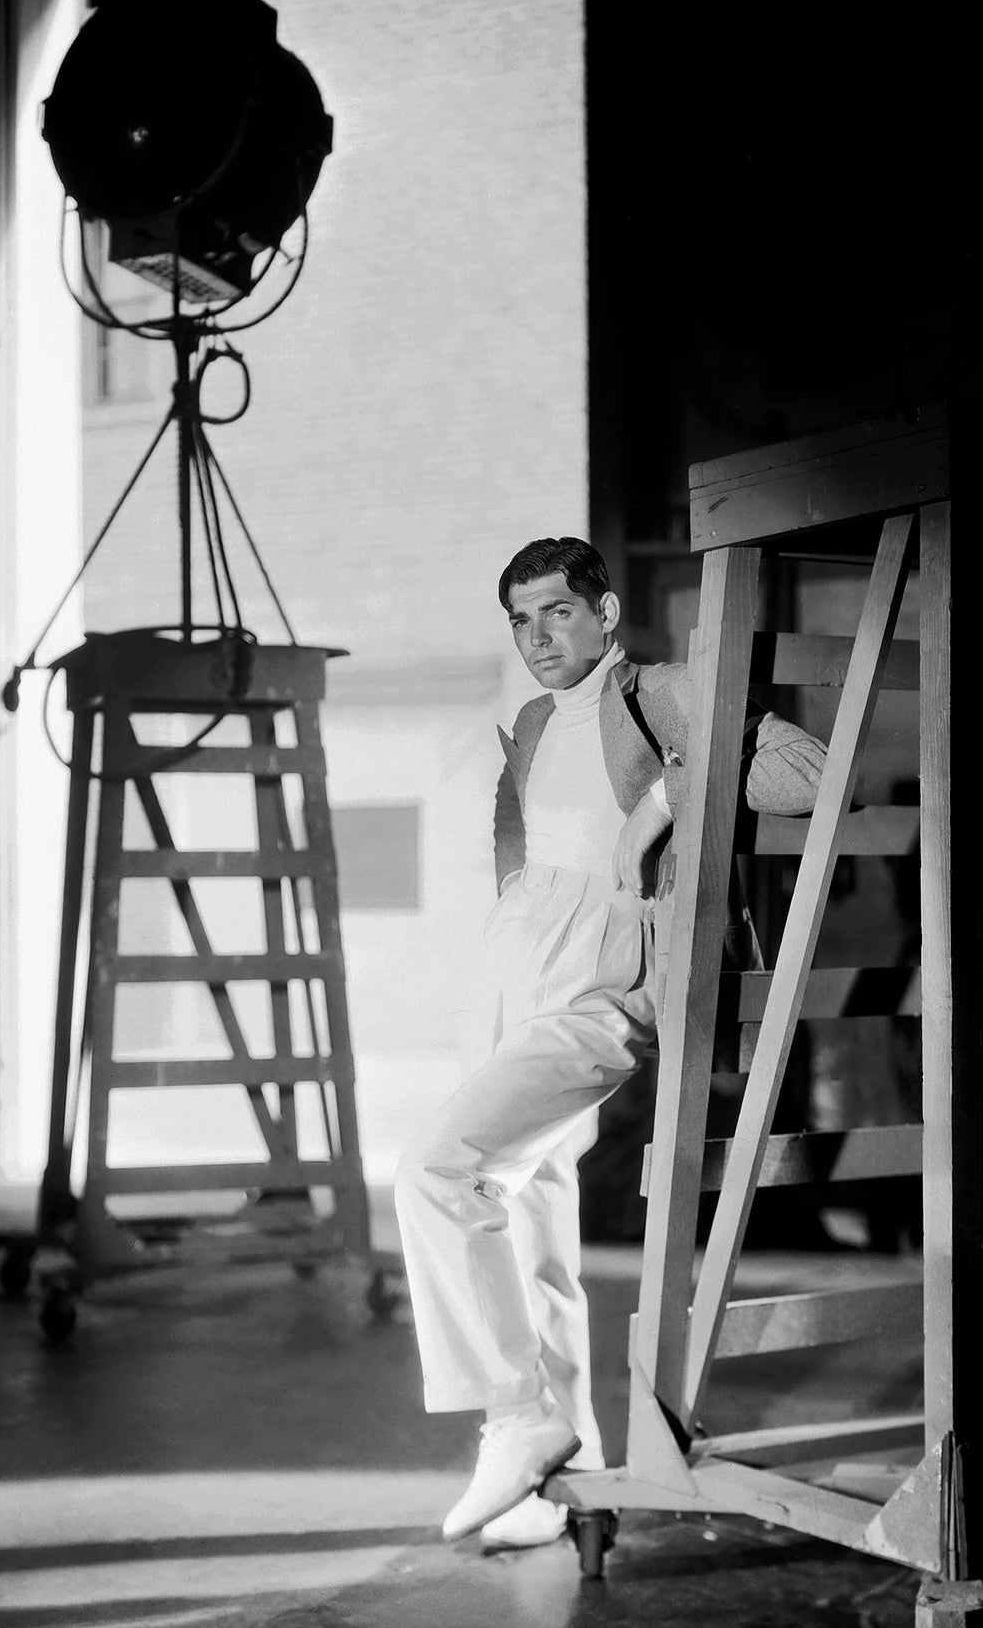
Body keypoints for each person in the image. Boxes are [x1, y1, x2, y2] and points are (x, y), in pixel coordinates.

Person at [393, 537, 826, 1549]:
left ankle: (513, 1413)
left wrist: (667, 799)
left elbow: (808, 775)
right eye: (519, 619)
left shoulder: (660, 694)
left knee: (436, 1169)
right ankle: (557, 1476)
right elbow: (527, 855)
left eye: (554, 611)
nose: (536, 636)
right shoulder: (538, 722)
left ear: (603, 611)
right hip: (513, 969)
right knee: (525, 1213)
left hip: (602, 980)